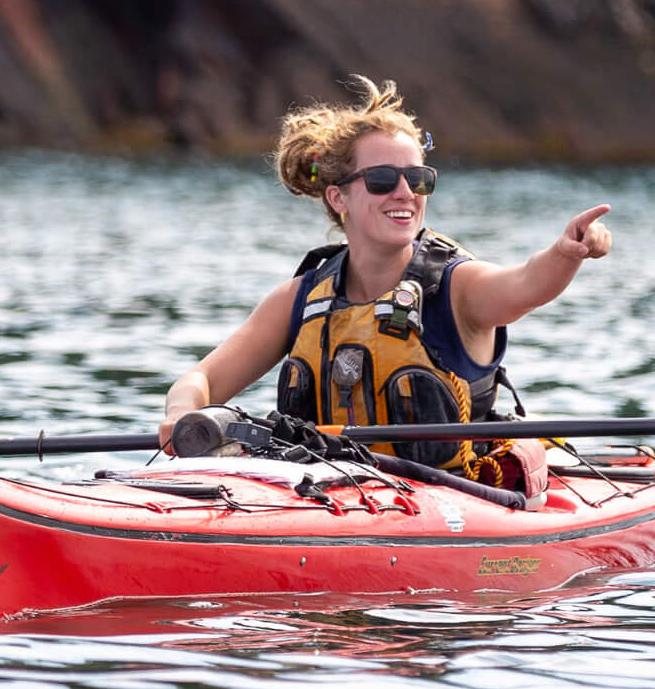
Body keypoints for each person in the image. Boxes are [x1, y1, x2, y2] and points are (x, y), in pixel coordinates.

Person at [159, 78, 612, 490]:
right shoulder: (300, 300)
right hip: (323, 495)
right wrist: (182, 414)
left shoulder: (457, 288)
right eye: (381, 180)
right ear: (339, 198)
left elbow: (527, 284)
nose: (404, 193)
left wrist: (565, 252)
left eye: (417, 179)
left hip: (452, 501)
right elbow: (201, 379)